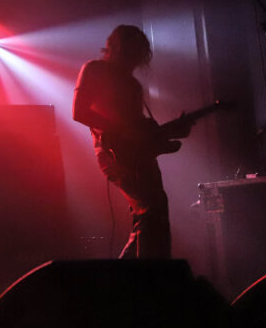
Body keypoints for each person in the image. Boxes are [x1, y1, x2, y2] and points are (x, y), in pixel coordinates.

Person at [72, 24, 193, 259]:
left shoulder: (133, 85)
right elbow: (79, 112)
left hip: (138, 156)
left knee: (147, 217)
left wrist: (173, 132)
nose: (136, 60)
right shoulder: (95, 69)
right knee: (152, 211)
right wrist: (125, 130)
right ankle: (149, 281)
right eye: (133, 52)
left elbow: (141, 134)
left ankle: (126, 281)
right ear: (117, 48)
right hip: (115, 154)